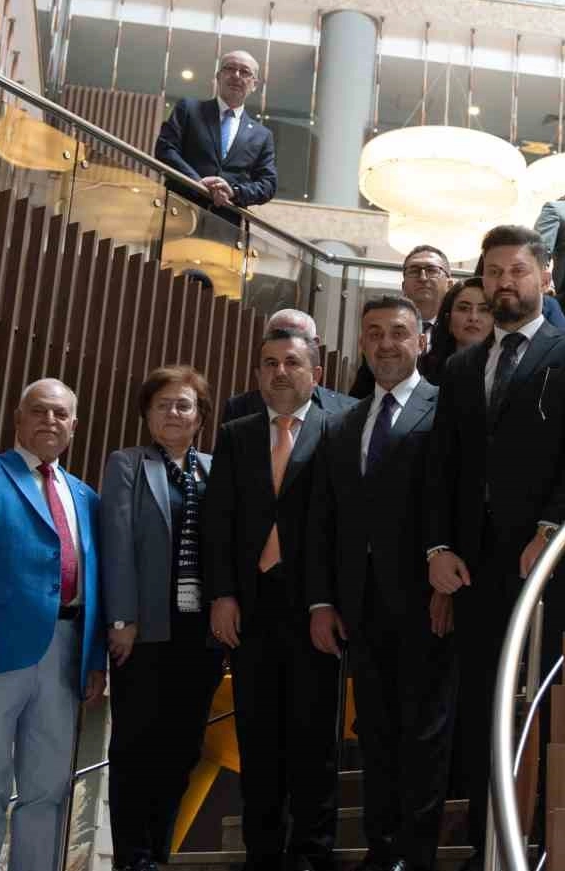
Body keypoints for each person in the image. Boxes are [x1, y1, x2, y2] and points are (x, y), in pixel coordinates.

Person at [425, 224, 565, 868]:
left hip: (549, 562)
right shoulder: (460, 366)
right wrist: (438, 548)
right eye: (494, 272)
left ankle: (546, 846)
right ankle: (489, 844)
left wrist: (550, 530)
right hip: (474, 568)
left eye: (517, 271)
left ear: (544, 277)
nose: (505, 282)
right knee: (483, 705)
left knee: (550, 705)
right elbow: (442, 468)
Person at [0, 379, 106, 871]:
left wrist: (94, 660)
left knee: (48, 790)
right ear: (18, 418)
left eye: (60, 414)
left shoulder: (87, 497)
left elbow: (99, 582)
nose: (50, 420)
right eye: (39, 411)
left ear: (74, 426)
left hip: (66, 653)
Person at [307, 295, 456, 871]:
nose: (386, 343)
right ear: (362, 343)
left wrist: (447, 586)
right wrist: (323, 601)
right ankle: (382, 846)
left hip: (426, 601)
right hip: (360, 606)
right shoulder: (342, 422)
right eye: (374, 333)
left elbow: (458, 499)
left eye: (398, 332)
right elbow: (326, 519)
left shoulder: (447, 408)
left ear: (421, 341)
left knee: (423, 731)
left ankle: (417, 854)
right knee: (373, 729)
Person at [202, 329, 348, 871]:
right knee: (257, 735)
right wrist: (222, 594)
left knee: (314, 736)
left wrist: (328, 601)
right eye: (269, 363)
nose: (279, 372)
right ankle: (262, 852)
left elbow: (344, 524)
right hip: (252, 609)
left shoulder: (340, 427)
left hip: (316, 609)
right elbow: (218, 521)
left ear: (316, 374)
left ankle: (311, 852)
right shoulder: (236, 435)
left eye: (291, 362)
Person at [101, 366, 224, 871]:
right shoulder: (128, 464)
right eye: (162, 404)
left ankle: (158, 853)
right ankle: (131, 858)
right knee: (136, 747)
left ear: (200, 416)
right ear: (148, 414)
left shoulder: (216, 469)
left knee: (183, 748)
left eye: (183, 404)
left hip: (202, 634)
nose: (173, 412)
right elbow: (117, 542)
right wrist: (121, 619)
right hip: (144, 632)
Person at [155, 50, 278, 227]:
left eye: (244, 72)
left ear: (254, 84)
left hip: (226, 225)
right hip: (177, 213)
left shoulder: (262, 135)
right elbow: (165, 149)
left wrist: (234, 191)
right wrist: (197, 182)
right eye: (230, 68)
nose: (236, 75)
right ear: (218, 76)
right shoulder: (188, 109)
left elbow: (268, 184)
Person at [353, 246, 453, 397]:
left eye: (432, 270)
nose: (422, 277)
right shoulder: (382, 334)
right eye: (414, 271)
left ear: (449, 285)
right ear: (403, 286)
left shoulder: (458, 330)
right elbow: (362, 392)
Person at [224, 309, 349, 420]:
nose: (281, 371)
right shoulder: (239, 409)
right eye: (276, 337)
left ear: (315, 344)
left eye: (292, 362)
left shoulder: (346, 411)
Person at [425, 277, 494, 384]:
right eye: (463, 308)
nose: (473, 317)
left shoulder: (505, 374)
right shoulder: (423, 370)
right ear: (448, 319)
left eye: (484, 310)